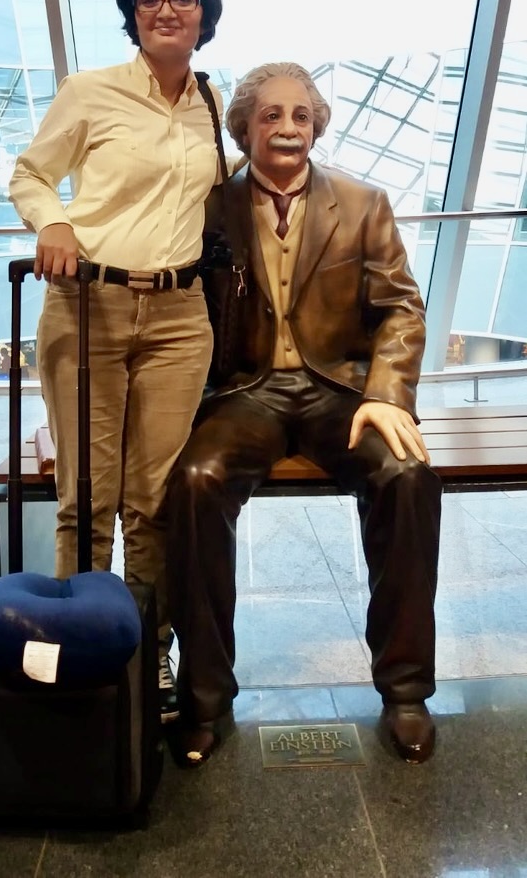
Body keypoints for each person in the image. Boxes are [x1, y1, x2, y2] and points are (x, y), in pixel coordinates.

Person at [166, 61, 442, 766]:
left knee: (406, 476)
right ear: (245, 127)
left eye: (299, 115)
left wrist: (384, 393)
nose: (286, 127)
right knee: (195, 479)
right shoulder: (207, 205)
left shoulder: (360, 201)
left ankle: (405, 692)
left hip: (339, 392)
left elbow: (401, 308)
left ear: (316, 125)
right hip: (245, 393)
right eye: (269, 115)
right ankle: (202, 698)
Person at [9, 0, 224, 722]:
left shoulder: (209, 102)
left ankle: (145, 655)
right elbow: (30, 174)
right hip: (88, 304)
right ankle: (76, 652)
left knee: (153, 502)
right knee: (86, 499)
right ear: (131, 12)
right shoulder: (90, 92)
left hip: (178, 318)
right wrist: (57, 222)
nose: (167, 9)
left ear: (204, 13)